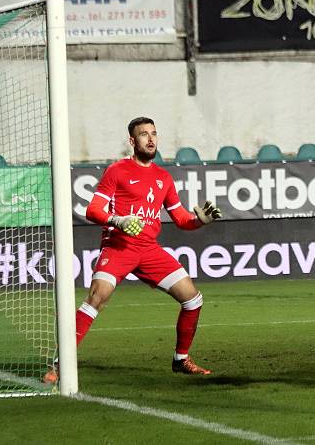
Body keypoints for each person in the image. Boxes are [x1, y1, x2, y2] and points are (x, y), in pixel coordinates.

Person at [44, 117, 221, 383]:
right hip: (119, 247)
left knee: (193, 298)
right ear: (132, 141)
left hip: (149, 250)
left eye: (154, 134)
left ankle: (181, 359)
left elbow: (182, 220)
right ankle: (60, 366)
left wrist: (200, 221)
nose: (150, 139)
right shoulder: (117, 171)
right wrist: (118, 220)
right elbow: (92, 210)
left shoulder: (163, 178)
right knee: (97, 297)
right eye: (143, 135)